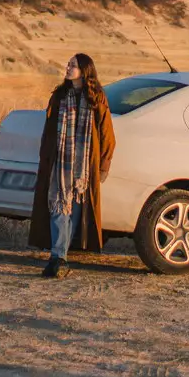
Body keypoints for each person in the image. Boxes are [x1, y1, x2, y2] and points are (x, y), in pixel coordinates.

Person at [27, 52, 115, 279]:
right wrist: (45, 159)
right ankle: (59, 257)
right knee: (58, 207)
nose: (67, 68)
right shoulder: (59, 95)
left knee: (74, 211)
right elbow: (48, 131)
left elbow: (107, 135)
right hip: (60, 164)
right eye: (68, 64)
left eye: (73, 65)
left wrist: (103, 166)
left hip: (83, 168)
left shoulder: (97, 97)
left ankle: (60, 256)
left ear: (85, 71)